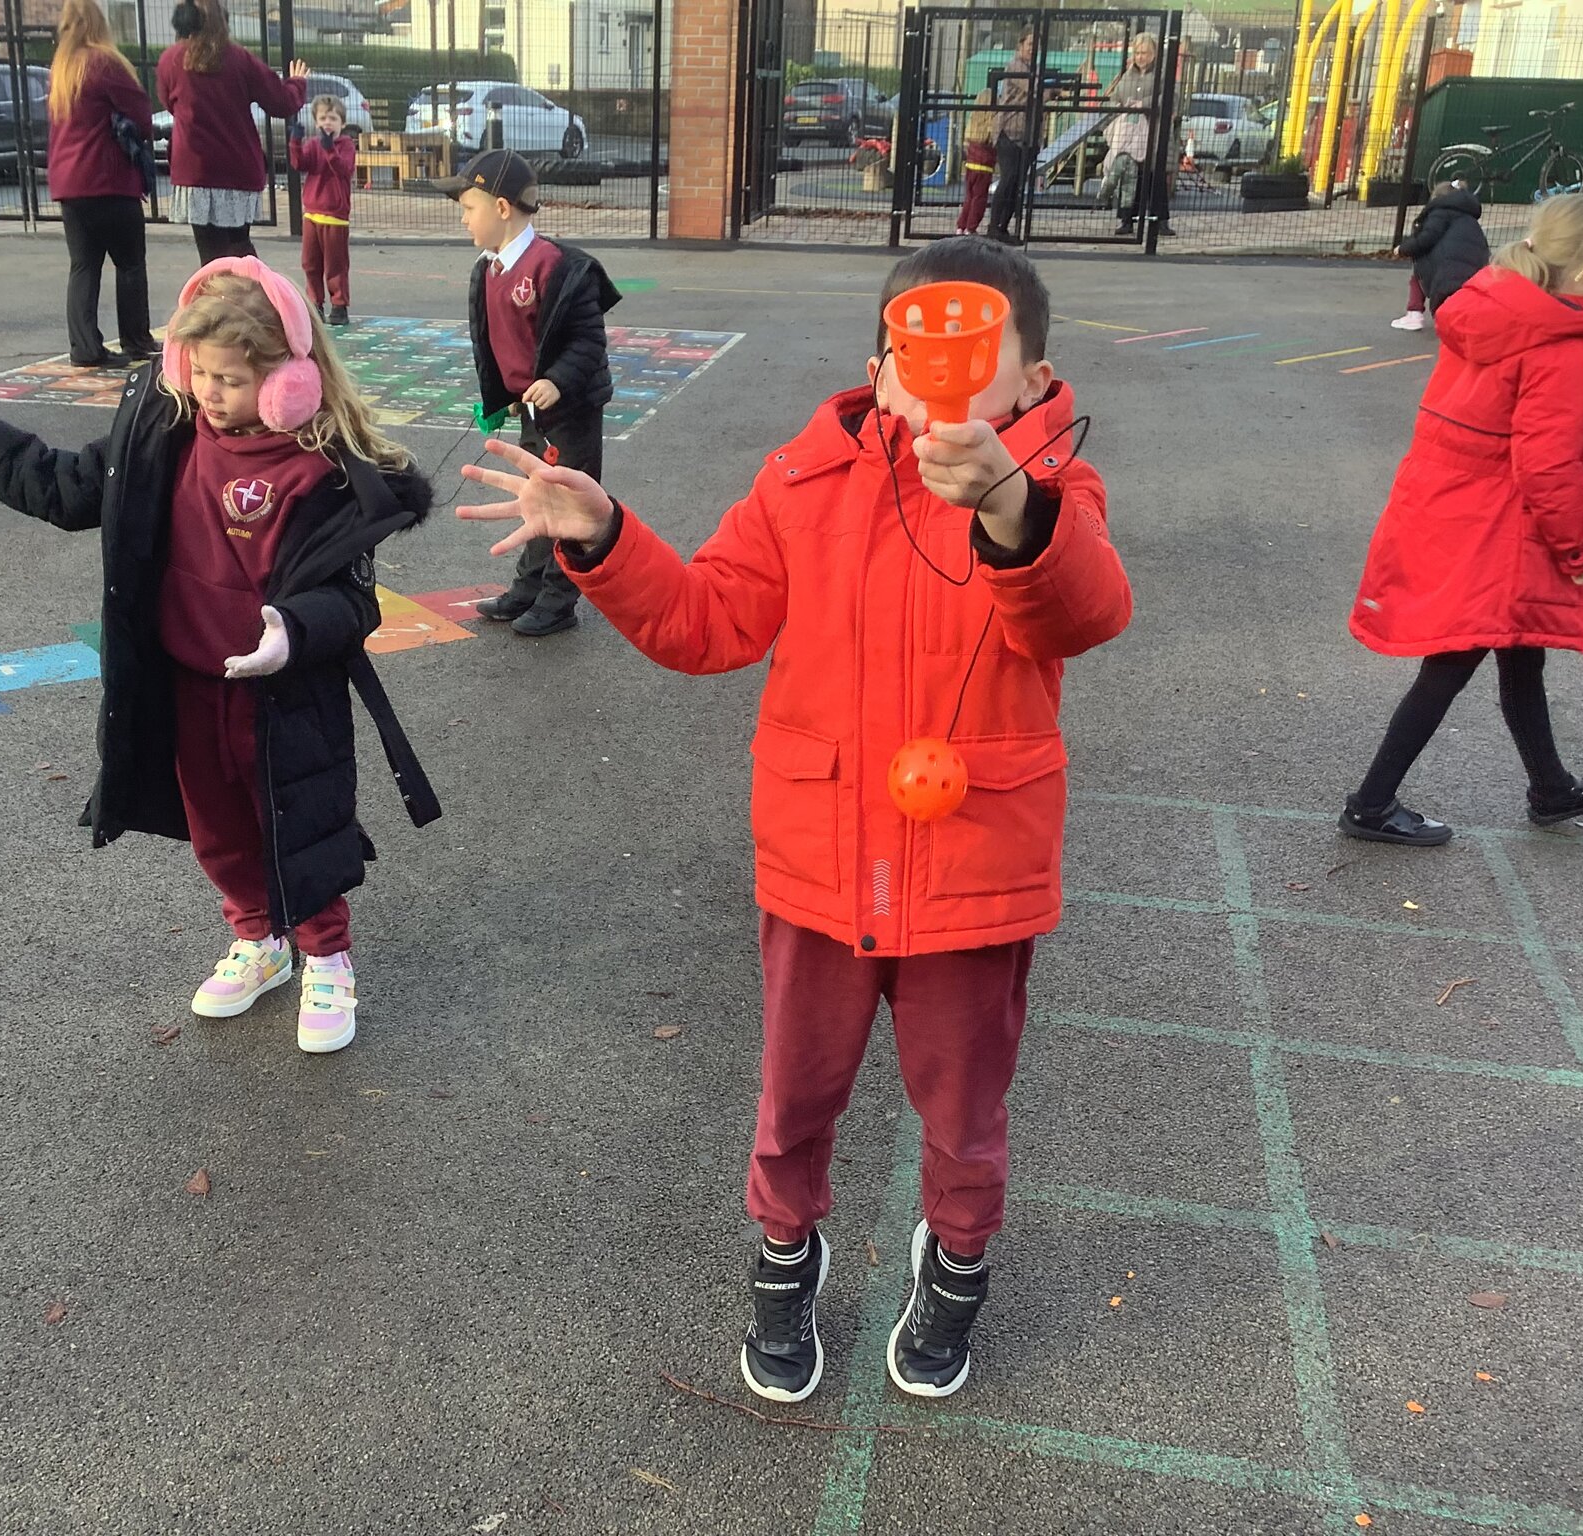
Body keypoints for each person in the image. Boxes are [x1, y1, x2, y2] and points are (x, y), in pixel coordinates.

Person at [457, 237, 1131, 1402]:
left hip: (973, 870)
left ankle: (954, 1263)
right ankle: (783, 1255)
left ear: (1030, 380)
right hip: (822, 863)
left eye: (978, 361)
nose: (943, 388)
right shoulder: (804, 480)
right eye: (919, 358)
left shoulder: (1053, 491)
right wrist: (603, 537)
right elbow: (706, 621)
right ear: (878, 370)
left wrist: (1011, 509)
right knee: (795, 1093)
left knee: (964, 1108)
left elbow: (1085, 613)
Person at [0, 258, 442, 1042]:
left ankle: (327, 957)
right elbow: (56, 485)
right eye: (200, 373)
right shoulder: (164, 435)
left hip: (282, 692)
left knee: (300, 822)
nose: (211, 393)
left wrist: (293, 629)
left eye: (231, 377)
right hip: (187, 681)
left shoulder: (323, 472)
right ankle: (259, 941)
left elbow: (350, 601)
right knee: (218, 828)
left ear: (290, 378)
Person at [1342, 190, 1583, 845]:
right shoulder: (1564, 345)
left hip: (1460, 513)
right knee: (1452, 665)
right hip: (1497, 532)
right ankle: (1370, 804)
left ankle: (1552, 787)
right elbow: (1550, 465)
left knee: (1518, 654)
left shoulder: (1497, 309)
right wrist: (1580, 549)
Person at [437, 147, 621, 638]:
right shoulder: (488, 268)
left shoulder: (557, 268)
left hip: (570, 409)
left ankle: (561, 598)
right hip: (531, 411)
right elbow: (495, 340)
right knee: (538, 495)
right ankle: (529, 585)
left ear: (502, 207)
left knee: (570, 501)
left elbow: (587, 340)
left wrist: (556, 381)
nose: (463, 219)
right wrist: (506, 394)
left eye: (468, 208)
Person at [45, 0, 157, 370]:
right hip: (106, 179)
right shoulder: (103, 62)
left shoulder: (61, 68)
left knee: (83, 265)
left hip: (68, 182)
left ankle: (85, 347)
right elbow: (142, 115)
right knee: (129, 263)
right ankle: (136, 339)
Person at [156, 0, 309, 264]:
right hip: (237, 169)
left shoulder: (171, 60)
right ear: (223, 22)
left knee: (210, 255)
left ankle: (220, 301)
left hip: (196, 172)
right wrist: (297, 83)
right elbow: (281, 103)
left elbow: (168, 102)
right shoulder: (240, 59)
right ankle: (256, 294)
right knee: (239, 246)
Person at [291, 94, 356, 327]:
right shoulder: (312, 144)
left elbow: (343, 169)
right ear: (316, 122)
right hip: (312, 213)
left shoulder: (346, 145)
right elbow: (300, 164)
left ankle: (339, 305)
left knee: (336, 265)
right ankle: (314, 304)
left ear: (342, 123)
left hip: (335, 216)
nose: (328, 122)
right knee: (310, 263)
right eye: (323, 118)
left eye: (333, 118)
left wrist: (330, 150)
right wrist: (295, 142)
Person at [1392, 180, 1489, 331]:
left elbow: (1426, 238)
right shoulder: (1469, 218)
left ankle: (1414, 312)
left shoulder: (1440, 213)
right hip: (1474, 265)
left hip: (1447, 268)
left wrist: (1404, 249)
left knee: (1419, 272)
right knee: (1464, 293)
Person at [1103, 34, 1161, 239]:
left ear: (1153, 54)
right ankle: (1126, 219)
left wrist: (1144, 104)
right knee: (1128, 177)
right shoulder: (1128, 75)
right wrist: (1118, 105)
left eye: (1144, 53)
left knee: (1152, 177)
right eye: (1137, 52)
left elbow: (1168, 97)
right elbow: (1115, 97)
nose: (1140, 57)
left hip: (1152, 133)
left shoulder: (1160, 75)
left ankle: (1158, 220)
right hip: (1128, 133)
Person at [986, 30, 1037, 244]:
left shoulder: (1033, 69)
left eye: (1036, 45)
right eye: (1029, 44)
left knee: (1017, 182)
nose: (1032, 49)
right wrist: (1055, 92)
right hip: (1009, 131)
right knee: (1008, 179)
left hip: (1027, 133)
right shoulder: (1016, 66)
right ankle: (993, 226)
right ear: (1020, 45)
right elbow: (1035, 89)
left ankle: (1003, 228)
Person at [956, 97, 995, 236]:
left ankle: (961, 225)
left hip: (970, 166)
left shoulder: (972, 125)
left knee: (969, 197)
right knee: (979, 198)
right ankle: (971, 227)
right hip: (984, 167)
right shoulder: (990, 127)